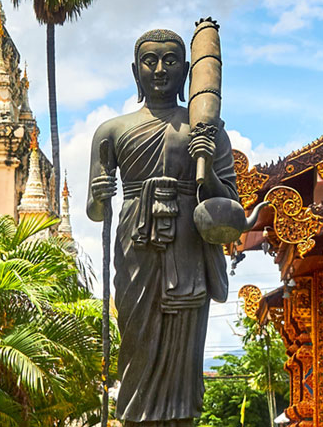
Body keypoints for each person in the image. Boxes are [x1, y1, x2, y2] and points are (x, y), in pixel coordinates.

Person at [87, 29, 239, 426]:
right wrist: (101, 193)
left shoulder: (207, 130)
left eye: (170, 61)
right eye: (149, 61)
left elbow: (230, 209)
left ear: (187, 71)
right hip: (136, 247)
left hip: (188, 246)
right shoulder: (111, 131)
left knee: (184, 355)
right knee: (137, 343)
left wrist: (206, 169)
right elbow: (95, 211)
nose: (159, 69)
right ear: (135, 71)